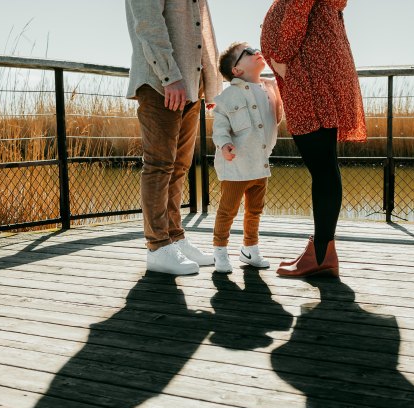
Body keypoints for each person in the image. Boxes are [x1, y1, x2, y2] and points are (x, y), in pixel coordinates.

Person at [261, 0, 367, 277]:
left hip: (310, 78)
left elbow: (296, 12)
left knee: (323, 169)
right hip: (317, 73)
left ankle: (321, 254)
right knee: (325, 167)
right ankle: (321, 251)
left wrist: (279, 56)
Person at [125, 0, 222, 275]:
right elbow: (148, 24)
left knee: (179, 166)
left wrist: (209, 83)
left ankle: (175, 238)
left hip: (189, 84)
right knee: (159, 166)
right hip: (161, 83)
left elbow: (201, 28)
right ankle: (158, 247)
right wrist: (169, 76)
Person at [210, 43, 283, 274]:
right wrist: (224, 144)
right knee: (227, 210)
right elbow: (220, 125)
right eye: (248, 52)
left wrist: (276, 88)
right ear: (237, 70)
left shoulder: (269, 89)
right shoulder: (228, 96)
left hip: (260, 163)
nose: (256, 52)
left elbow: (276, 118)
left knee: (255, 210)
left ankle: (250, 248)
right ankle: (220, 250)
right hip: (236, 165)